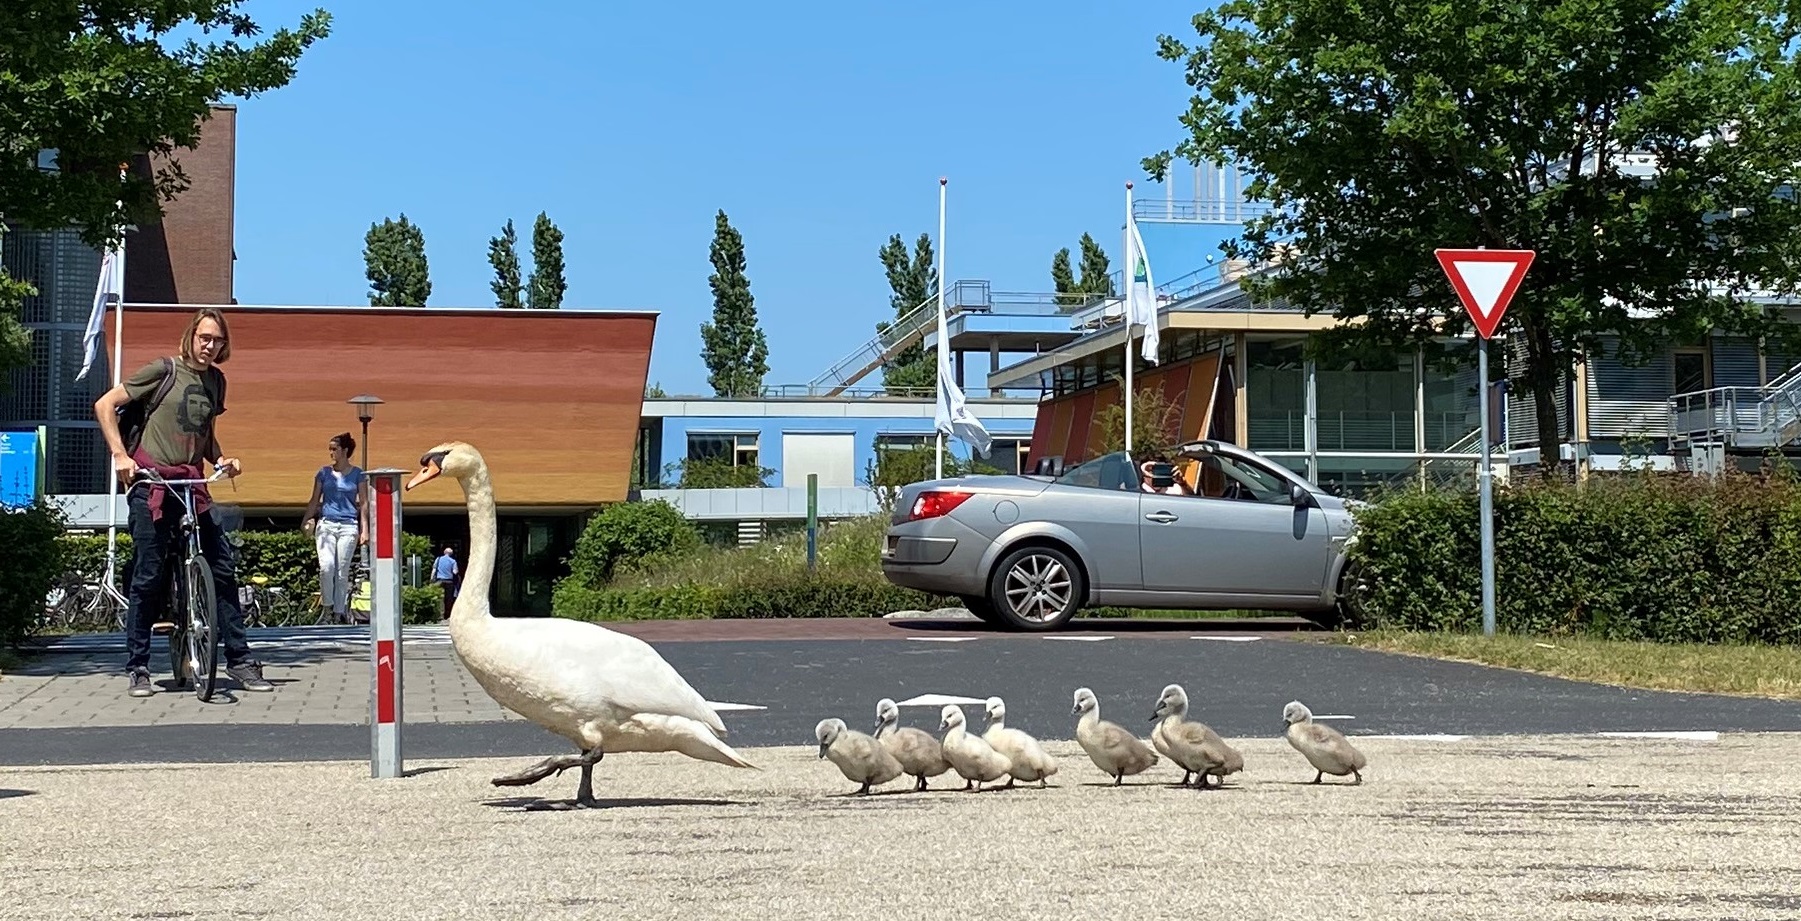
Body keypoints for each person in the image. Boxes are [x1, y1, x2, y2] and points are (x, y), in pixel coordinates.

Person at [94, 307, 272, 697]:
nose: (210, 345)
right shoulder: (163, 370)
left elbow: (204, 434)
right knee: (148, 573)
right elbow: (104, 405)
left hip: (192, 482)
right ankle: (138, 667)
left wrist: (221, 459)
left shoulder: (216, 382)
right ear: (191, 336)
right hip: (151, 482)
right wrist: (120, 456)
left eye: (218, 340)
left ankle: (240, 661)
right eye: (204, 337)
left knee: (222, 568)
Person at [301, 432, 368, 624]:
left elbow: (363, 503)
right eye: (329, 449)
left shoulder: (358, 475)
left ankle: (339, 613)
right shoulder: (323, 473)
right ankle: (328, 609)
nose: (331, 452)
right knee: (327, 567)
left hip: (348, 525)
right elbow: (315, 499)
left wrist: (365, 529)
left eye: (334, 449)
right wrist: (306, 520)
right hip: (327, 524)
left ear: (345, 451)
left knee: (341, 571)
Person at [431, 546, 459, 620]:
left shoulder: (438, 559)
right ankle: (447, 615)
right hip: (449, 582)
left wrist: (431, 579)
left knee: (439, 598)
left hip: (439, 581)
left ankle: (440, 616)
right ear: (451, 554)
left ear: (444, 552)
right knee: (448, 599)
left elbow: (434, 570)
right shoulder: (453, 561)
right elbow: (455, 572)